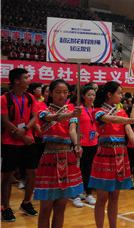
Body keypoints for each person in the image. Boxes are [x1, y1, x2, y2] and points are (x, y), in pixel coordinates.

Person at [89, 81, 134, 228]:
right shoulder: (99, 111)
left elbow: (128, 129)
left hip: (120, 154)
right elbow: (112, 119)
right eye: (119, 93)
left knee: (115, 196)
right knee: (102, 197)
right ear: (109, 94)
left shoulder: (121, 111)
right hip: (105, 155)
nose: (121, 96)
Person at [34, 79, 83, 228]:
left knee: (61, 206)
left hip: (67, 158)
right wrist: (70, 114)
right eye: (58, 92)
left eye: (65, 92)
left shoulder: (71, 113)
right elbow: (55, 118)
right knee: (46, 208)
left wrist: (76, 144)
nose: (62, 95)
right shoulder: (44, 112)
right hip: (50, 158)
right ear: (50, 93)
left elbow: (72, 130)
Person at [1, 68, 39, 222]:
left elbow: (34, 117)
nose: (28, 80)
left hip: (28, 140)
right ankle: (6, 207)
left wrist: (25, 130)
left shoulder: (30, 98)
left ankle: (26, 202)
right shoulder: (4, 98)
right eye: (25, 77)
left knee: (32, 174)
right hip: (10, 142)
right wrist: (18, 132)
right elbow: (4, 120)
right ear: (16, 81)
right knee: (8, 177)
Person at [74, 86, 98, 207]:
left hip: (93, 143)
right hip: (81, 144)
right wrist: (77, 132)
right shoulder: (79, 109)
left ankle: (88, 193)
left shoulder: (95, 110)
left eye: (93, 95)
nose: (91, 97)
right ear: (83, 96)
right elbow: (73, 125)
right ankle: (77, 195)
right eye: (89, 95)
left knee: (89, 169)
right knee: (79, 169)